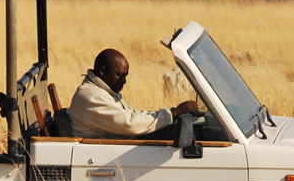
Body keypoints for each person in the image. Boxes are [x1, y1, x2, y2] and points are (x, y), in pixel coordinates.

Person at [68, 48, 198, 139]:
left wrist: (171, 114)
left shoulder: (104, 91)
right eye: (119, 75)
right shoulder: (91, 96)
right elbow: (130, 123)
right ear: (102, 71)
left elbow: (133, 114)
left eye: (125, 76)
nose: (124, 81)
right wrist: (173, 113)